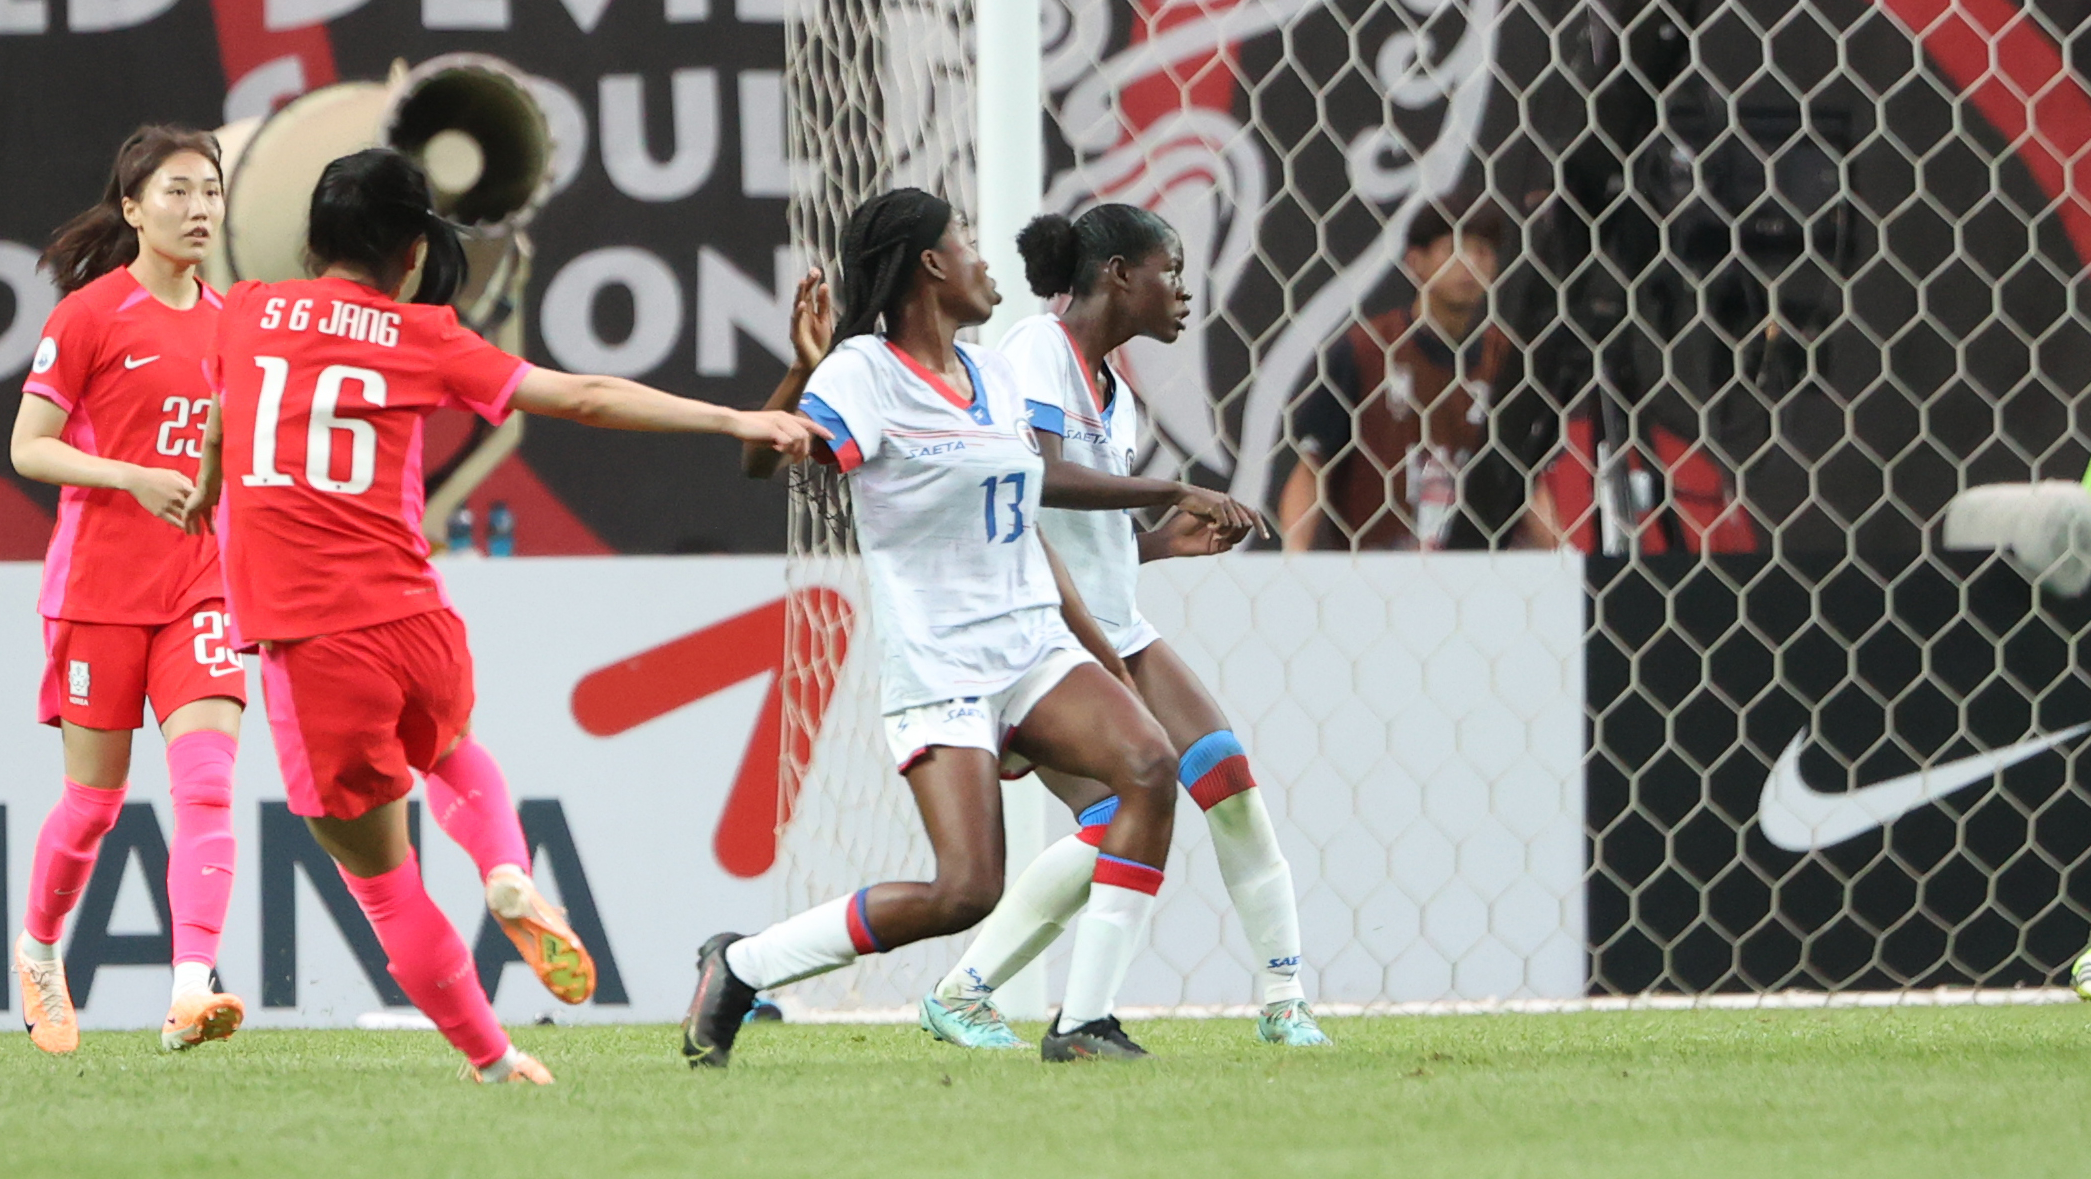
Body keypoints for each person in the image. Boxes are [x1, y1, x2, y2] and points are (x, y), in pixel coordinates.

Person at [183, 147, 812, 1084]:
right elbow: (586, 397)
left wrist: (203, 488)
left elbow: (226, 418)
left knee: (386, 886)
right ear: (409, 252)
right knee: (451, 749)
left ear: (312, 238)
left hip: (312, 644)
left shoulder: (239, 315)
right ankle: (506, 867)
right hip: (415, 621)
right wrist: (735, 419)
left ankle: (493, 1057)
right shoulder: (423, 334)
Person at [689, 188, 1185, 1066]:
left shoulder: (995, 374)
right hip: (945, 664)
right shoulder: (860, 374)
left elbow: (1025, 525)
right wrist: (803, 370)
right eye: (967, 240)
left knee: (1149, 765)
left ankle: (1085, 1020)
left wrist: (1103, 656)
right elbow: (758, 459)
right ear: (929, 264)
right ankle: (741, 964)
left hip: (1032, 643)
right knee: (966, 891)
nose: (987, 261)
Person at [907, 203, 1325, 1047]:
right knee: (1120, 816)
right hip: (1043, 640)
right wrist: (1171, 490)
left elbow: (1092, 541)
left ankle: (1286, 1000)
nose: (1183, 292)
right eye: (1170, 270)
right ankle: (976, 993)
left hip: (1115, 624)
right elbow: (1037, 479)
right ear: (1118, 274)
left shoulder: (1120, 399)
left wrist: (1159, 544)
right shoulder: (1034, 351)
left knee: (1228, 777)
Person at [7, 126, 248, 1056]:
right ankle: (37, 951)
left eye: (211, 191)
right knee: (96, 805)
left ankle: (192, 988)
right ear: (134, 207)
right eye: (179, 191)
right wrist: (129, 475)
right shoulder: (89, 315)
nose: (199, 209)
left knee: (207, 784)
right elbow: (29, 446)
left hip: (203, 586)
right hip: (99, 592)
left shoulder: (231, 323)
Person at [1278, 201, 1544, 550]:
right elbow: (1312, 465)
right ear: (1415, 262)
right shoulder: (1365, 349)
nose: (1470, 264)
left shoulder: (1508, 360)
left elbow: (1528, 484)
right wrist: (1292, 559)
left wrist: (1560, 561)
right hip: (1378, 573)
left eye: (1482, 251)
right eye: (1454, 250)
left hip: (1479, 573)